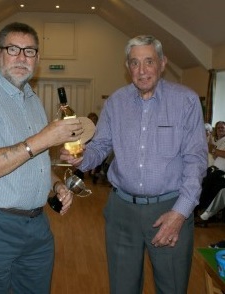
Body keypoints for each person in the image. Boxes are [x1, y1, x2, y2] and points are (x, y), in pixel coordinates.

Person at [61, 35, 208, 293]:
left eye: (149, 61)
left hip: (169, 210)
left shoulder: (185, 101)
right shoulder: (116, 102)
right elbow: (101, 145)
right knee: (122, 287)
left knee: (172, 287)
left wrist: (180, 213)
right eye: (134, 63)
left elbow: (195, 160)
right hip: (121, 212)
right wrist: (83, 157)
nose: (142, 71)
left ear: (162, 63)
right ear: (127, 67)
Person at [0, 22, 84, 294]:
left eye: (29, 51)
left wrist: (56, 186)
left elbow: (35, 162)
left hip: (36, 227)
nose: (21, 58)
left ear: (37, 59)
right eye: (13, 49)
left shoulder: (32, 101)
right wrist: (44, 138)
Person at [195, 121, 225, 225]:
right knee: (203, 186)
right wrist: (213, 146)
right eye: (218, 128)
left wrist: (215, 151)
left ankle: (202, 213)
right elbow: (212, 150)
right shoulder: (219, 141)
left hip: (220, 172)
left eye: (223, 127)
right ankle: (198, 211)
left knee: (208, 188)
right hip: (213, 169)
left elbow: (218, 153)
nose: (221, 129)